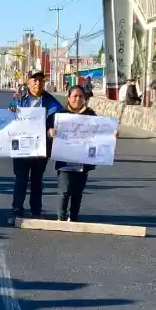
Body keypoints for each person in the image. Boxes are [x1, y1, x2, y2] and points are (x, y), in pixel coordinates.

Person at [49, 85, 117, 222]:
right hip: (65, 160)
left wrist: (112, 135)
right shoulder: (60, 115)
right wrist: (50, 133)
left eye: (81, 96)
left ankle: (73, 218)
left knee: (78, 192)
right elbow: (48, 132)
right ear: (68, 98)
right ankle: (61, 218)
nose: (78, 99)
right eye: (75, 96)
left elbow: (100, 134)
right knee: (65, 190)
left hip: (83, 161)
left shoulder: (90, 115)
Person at [7, 71, 64, 225]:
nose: (38, 83)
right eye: (35, 80)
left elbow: (61, 120)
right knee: (21, 179)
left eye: (41, 80)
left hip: (41, 147)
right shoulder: (20, 99)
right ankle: (17, 211)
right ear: (28, 81)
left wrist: (52, 130)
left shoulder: (51, 102)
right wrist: (11, 109)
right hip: (22, 148)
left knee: (37, 181)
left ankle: (36, 212)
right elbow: (9, 116)